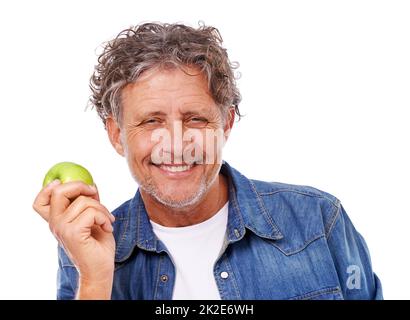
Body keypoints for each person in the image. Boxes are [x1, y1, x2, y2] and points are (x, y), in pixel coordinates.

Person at [33, 22, 382, 300]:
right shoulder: (88, 247)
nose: (175, 143)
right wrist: (95, 280)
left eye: (196, 119)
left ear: (227, 123)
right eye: (151, 121)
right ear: (116, 134)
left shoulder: (318, 220)